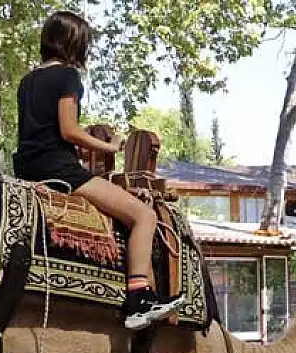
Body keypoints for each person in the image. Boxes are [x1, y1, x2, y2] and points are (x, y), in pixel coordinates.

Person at [12, 10, 184, 331]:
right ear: (74, 43)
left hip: (28, 167)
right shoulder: (67, 77)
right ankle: (138, 298)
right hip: (61, 171)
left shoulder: (27, 81)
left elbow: (39, 134)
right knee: (144, 216)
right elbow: (69, 130)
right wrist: (112, 147)